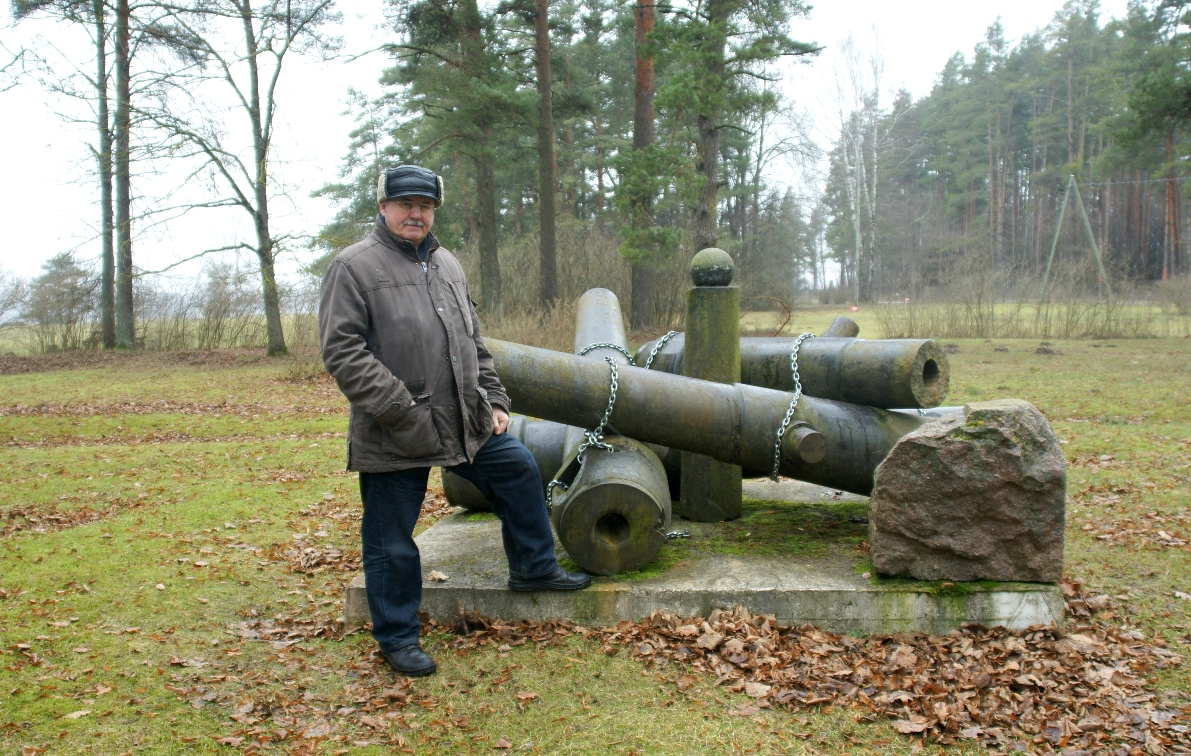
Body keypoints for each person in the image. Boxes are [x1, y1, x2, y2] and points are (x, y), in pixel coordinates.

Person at [318, 165, 590, 678]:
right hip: (396, 427)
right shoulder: (352, 267)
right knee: (391, 538)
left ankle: (533, 569)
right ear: (383, 207)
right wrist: (401, 410)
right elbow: (343, 352)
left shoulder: (447, 263)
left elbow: (473, 341)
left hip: (467, 421)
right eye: (405, 204)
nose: (415, 213)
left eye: (425, 205)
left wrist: (495, 398)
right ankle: (397, 636)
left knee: (518, 469)